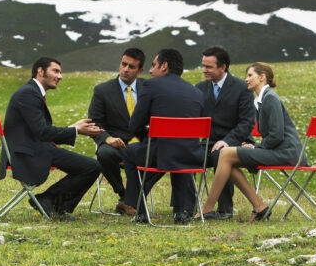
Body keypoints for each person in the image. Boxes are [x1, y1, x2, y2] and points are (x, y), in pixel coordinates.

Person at [197, 62, 305, 221]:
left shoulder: (270, 99)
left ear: (262, 78)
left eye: (250, 75)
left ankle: (207, 208)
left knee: (225, 153)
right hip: (279, 151)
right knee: (227, 159)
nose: (246, 79)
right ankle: (259, 206)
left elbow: (276, 135)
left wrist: (256, 148)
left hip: (286, 153)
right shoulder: (262, 100)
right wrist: (254, 147)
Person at [0, 57, 103, 221]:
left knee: (90, 166)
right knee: (91, 167)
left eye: (60, 72)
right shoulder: (28, 94)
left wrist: (72, 128)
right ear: (41, 71)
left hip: (36, 147)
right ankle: (50, 202)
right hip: (28, 152)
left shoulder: (32, 92)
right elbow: (43, 132)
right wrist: (75, 130)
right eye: (55, 71)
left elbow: (40, 131)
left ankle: (52, 204)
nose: (60, 76)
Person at [122, 48, 205, 223]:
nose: (150, 71)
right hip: (191, 155)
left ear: (164, 66)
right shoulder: (196, 92)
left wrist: (148, 134)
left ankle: (139, 208)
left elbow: (134, 125)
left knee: (130, 151)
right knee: (178, 150)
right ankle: (181, 211)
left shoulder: (151, 86)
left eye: (153, 65)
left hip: (159, 153)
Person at [195, 46, 256, 220]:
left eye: (208, 67)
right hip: (205, 143)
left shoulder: (241, 88)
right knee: (184, 153)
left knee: (221, 154)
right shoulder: (199, 88)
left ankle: (224, 210)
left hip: (234, 142)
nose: (204, 70)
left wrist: (227, 141)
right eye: (203, 66)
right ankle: (183, 208)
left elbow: (246, 123)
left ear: (222, 67)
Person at [87, 48, 146, 215]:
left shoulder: (149, 88)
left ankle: (136, 198)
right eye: (123, 64)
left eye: (131, 67)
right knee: (104, 154)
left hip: (143, 145)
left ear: (140, 70)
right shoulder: (102, 90)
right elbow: (94, 121)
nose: (126, 69)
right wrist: (107, 138)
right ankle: (124, 195)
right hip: (117, 146)